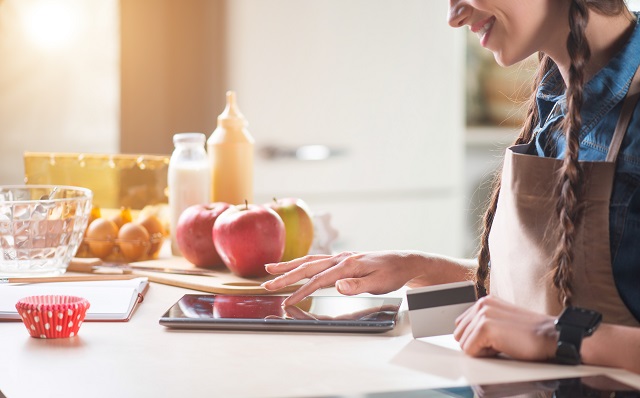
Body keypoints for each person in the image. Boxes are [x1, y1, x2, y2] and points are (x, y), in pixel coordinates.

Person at [262, 0, 640, 374]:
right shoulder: (559, 97)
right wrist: (416, 268)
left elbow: (547, 325)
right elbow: (546, 299)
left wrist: (552, 336)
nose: (453, 16)